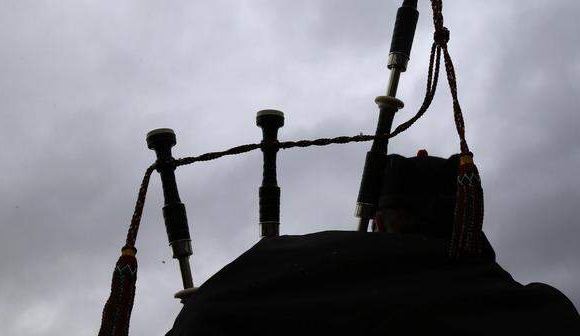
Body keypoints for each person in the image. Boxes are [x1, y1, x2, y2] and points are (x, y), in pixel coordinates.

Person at [167, 152, 579, 335]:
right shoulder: (544, 309)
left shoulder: (288, 275)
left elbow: (205, 316)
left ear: (379, 221)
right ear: (469, 219)